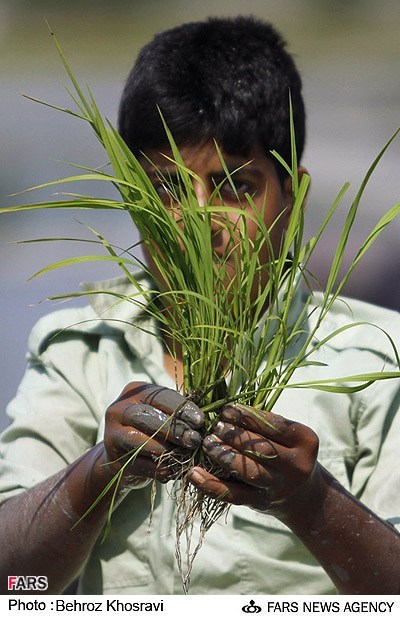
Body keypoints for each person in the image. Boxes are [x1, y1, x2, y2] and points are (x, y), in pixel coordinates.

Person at [1, 15, 400, 596]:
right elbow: (14, 583)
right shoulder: (81, 347)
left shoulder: (375, 355)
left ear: (292, 198)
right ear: (131, 200)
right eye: (165, 189)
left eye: (235, 187)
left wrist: (308, 501)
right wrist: (99, 471)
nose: (198, 224)